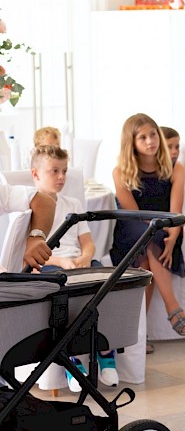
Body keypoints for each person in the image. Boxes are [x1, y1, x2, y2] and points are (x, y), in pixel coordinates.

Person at [31, 145, 118, 390]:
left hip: (79, 262)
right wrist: (61, 262)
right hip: (52, 266)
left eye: (64, 171)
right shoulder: (31, 207)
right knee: (64, 295)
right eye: (54, 171)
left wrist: (84, 258)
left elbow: (88, 243)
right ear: (36, 174)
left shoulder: (74, 204)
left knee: (107, 282)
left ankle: (105, 349)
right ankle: (71, 359)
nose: (61, 177)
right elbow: (29, 254)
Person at [110, 113, 185, 339]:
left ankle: (140, 334)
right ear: (132, 144)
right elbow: (134, 215)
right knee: (148, 238)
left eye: (153, 134)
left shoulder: (176, 168)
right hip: (134, 231)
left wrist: (174, 237)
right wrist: (160, 232)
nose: (150, 141)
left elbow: (176, 213)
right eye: (143, 137)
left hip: (166, 229)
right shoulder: (120, 173)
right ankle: (173, 309)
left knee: (148, 254)